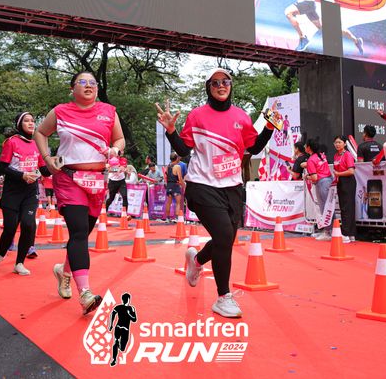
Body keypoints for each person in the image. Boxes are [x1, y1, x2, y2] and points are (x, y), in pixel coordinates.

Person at [156, 68, 274, 318]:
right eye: (215, 82)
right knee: (223, 235)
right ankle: (223, 297)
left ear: (231, 86)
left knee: (225, 239)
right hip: (202, 185)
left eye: (226, 82)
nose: (221, 86)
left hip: (232, 187)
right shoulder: (197, 115)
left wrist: (270, 128)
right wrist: (171, 131)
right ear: (208, 87)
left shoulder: (241, 116)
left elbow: (253, 147)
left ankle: (197, 261)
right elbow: (184, 149)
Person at [35, 71, 125, 315]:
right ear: (72, 88)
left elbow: (119, 139)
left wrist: (115, 150)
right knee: (78, 232)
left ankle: (64, 272)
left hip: (97, 181)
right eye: (82, 82)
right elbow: (40, 132)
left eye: (92, 82)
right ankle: (85, 293)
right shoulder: (60, 111)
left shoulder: (109, 111)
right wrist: (47, 158)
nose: (88, 86)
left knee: (83, 234)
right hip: (69, 178)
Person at [0, 112, 48, 275]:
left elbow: (43, 169)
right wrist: (22, 175)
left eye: (33, 121)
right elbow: (3, 167)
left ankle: (19, 263)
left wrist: (57, 165)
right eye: (27, 121)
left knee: (28, 224)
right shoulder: (11, 142)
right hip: (12, 191)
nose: (31, 123)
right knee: (10, 227)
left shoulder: (36, 144)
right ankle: (0, 254)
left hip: (30, 191)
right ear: (19, 124)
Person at [305, 138, 333, 240]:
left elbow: (314, 177)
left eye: (305, 146)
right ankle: (330, 231)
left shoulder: (311, 160)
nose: (304, 147)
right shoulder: (321, 155)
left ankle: (328, 232)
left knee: (325, 208)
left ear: (309, 148)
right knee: (329, 207)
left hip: (322, 183)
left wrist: (306, 177)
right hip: (329, 180)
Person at [333, 136, 357, 243]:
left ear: (345, 143)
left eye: (339, 142)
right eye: (335, 142)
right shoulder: (336, 155)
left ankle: (346, 233)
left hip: (348, 181)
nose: (337, 144)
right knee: (343, 208)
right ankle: (350, 234)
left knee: (348, 207)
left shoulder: (347, 155)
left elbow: (351, 171)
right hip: (340, 182)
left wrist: (339, 174)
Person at [108, 293, 137, 367]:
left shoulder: (129, 308)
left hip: (121, 329)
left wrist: (111, 324)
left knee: (121, 347)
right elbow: (134, 319)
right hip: (122, 328)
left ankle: (118, 346)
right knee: (117, 343)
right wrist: (111, 324)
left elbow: (134, 319)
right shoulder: (122, 307)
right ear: (127, 299)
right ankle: (114, 359)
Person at [163, 152, 184, 221]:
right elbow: (180, 178)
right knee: (178, 203)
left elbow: (165, 176)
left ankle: (167, 218)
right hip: (175, 185)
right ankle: (176, 218)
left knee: (168, 202)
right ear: (177, 158)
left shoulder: (168, 166)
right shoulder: (177, 167)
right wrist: (182, 184)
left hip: (169, 185)